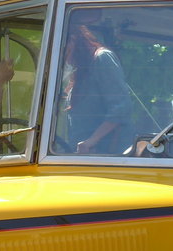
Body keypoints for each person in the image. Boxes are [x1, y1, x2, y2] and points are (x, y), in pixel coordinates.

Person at [54, 19, 131, 154]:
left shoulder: (102, 58)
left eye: (62, 51)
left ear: (73, 41)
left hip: (103, 154)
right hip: (80, 154)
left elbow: (121, 108)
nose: (64, 58)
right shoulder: (80, 69)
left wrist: (92, 141)